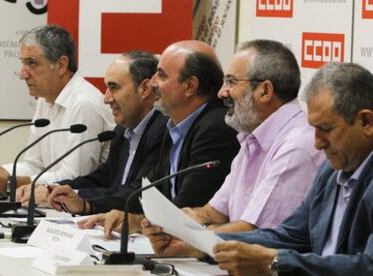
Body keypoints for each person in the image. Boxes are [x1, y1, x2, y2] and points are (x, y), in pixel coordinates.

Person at [144, 62, 373, 276]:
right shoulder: (332, 172)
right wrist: (195, 244)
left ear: (366, 122)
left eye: (326, 128)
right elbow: (291, 235)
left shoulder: (317, 155)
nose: (318, 142)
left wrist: (273, 263)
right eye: (314, 128)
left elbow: (367, 266)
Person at [77, 40, 240, 237]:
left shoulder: (217, 128)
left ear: (190, 86)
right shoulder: (175, 125)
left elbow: (189, 204)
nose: (152, 82)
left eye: (161, 75)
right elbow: (147, 192)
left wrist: (138, 221)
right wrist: (98, 208)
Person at [180, 39, 325, 234]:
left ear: (265, 91)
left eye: (231, 82)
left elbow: (255, 234)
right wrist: (170, 225)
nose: (222, 93)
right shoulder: (251, 139)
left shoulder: (297, 146)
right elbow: (212, 213)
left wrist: (188, 236)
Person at [0, 25, 114, 194]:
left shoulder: (84, 104)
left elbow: (75, 178)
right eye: (23, 63)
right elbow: (34, 165)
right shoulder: (45, 99)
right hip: (50, 202)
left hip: (83, 209)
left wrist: (10, 181)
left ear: (61, 65)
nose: (22, 74)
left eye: (32, 63)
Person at [17, 51, 167, 215]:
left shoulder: (163, 132)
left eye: (114, 88)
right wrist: (53, 189)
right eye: (107, 88)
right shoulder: (122, 130)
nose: (106, 98)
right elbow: (102, 178)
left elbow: (138, 192)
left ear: (145, 89)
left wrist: (83, 201)